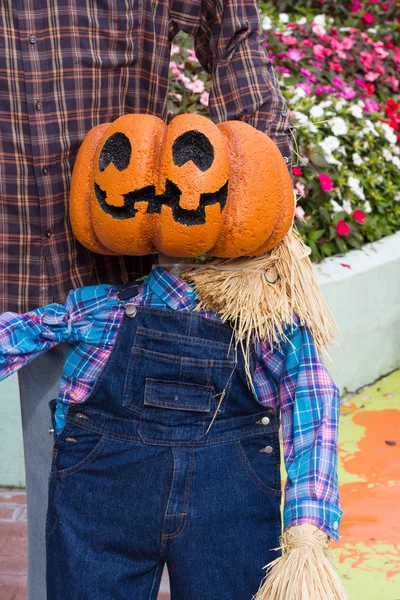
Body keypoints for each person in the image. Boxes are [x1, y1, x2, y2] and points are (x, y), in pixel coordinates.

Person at [0, 2, 292, 598]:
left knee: (76, 539)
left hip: (104, 275)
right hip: (34, 250)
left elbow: (229, 22)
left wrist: (261, 170)